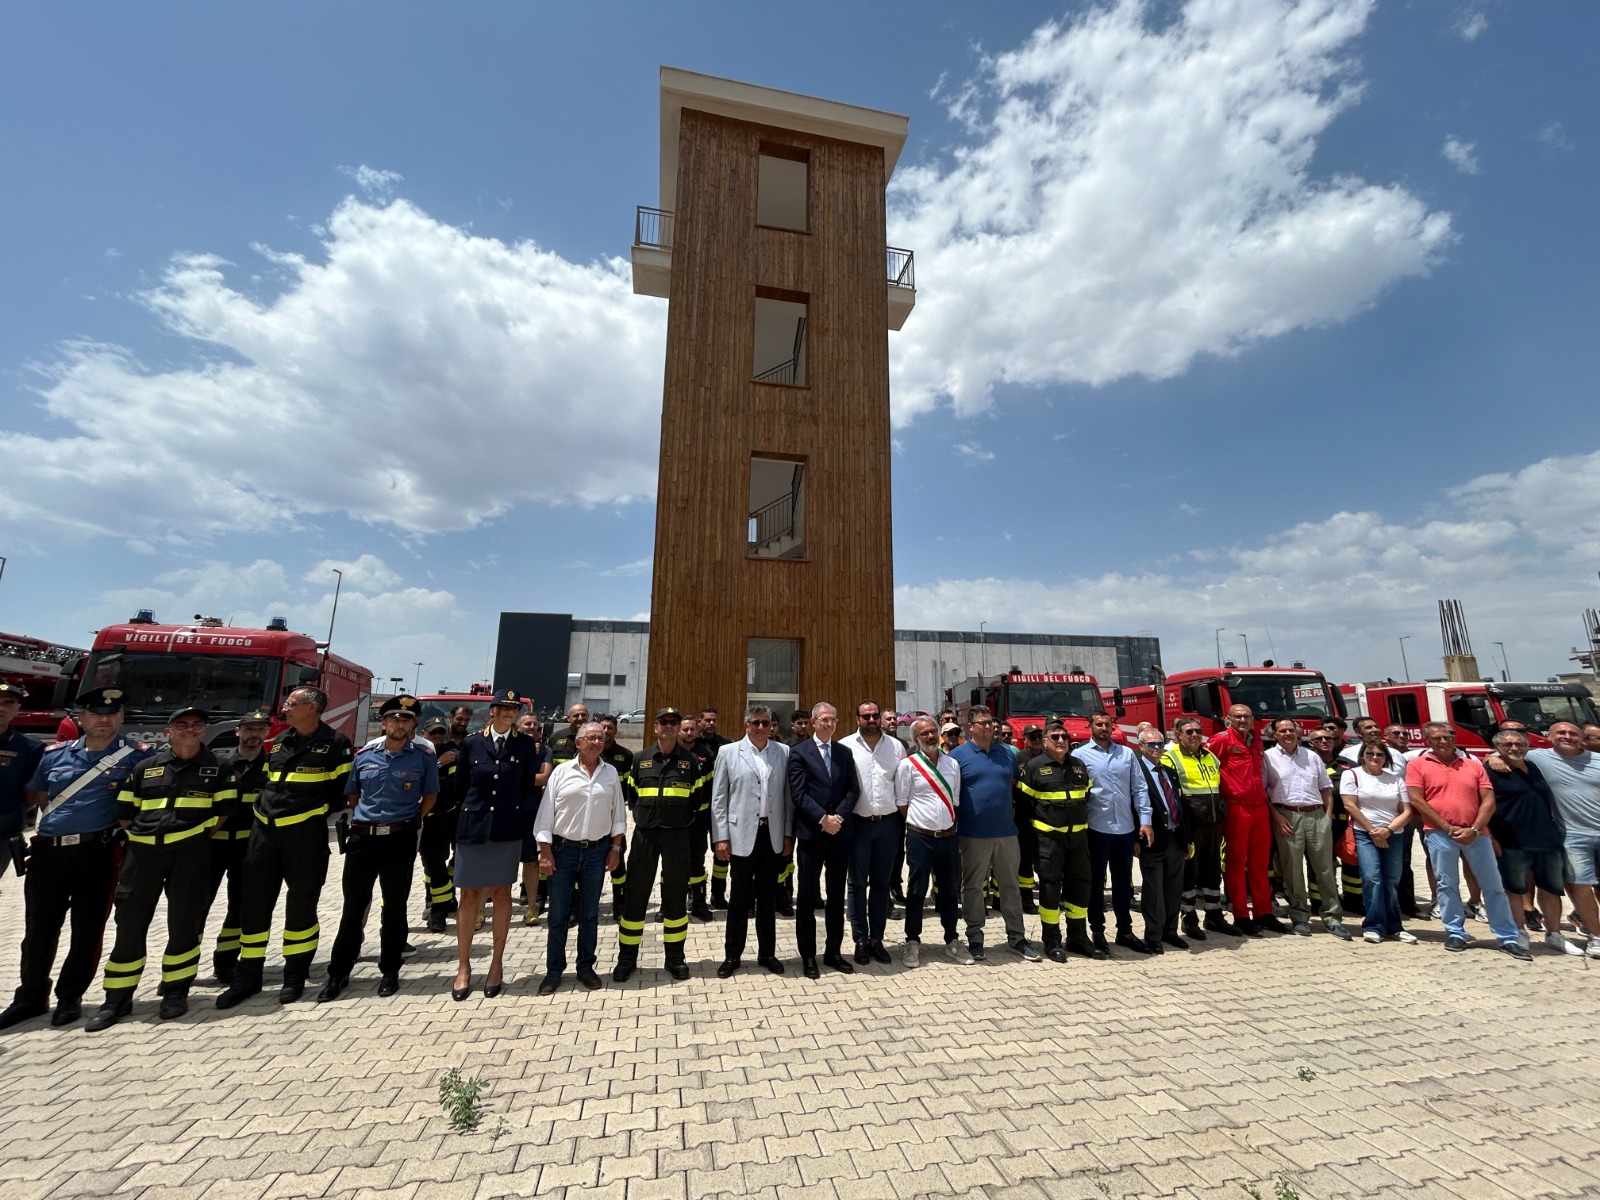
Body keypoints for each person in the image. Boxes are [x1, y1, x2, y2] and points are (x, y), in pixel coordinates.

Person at [0, 688, 150, 1030]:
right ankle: (30, 997)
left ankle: (70, 998)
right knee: (38, 931)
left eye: (111, 713)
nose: (104, 719)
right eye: (96, 712)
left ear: (122, 718)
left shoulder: (137, 756)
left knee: (87, 930)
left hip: (97, 852)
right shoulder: (53, 755)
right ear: (80, 718)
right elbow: (37, 796)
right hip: (48, 852)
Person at [86, 704, 234, 1030]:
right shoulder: (145, 767)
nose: (190, 729)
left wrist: (188, 835)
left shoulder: (219, 767)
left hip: (190, 852)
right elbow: (125, 811)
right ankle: (118, 998)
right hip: (142, 855)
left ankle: (176, 990)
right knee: (129, 924)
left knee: (184, 922)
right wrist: (144, 837)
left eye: (197, 724)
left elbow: (223, 812)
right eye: (182, 724)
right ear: (169, 731)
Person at [217, 687, 353, 1009]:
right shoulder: (279, 740)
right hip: (264, 834)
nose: (284, 709)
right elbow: (269, 783)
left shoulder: (336, 744)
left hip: (305, 836)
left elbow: (339, 793)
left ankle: (295, 976)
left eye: (291, 704)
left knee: (301, 905)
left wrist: (305, 813)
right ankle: (247, 977)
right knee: (253, 905)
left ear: (312, 708)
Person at [316, 696, 439, 1003]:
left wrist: (409, 822)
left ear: (412, 725)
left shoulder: (422, 757)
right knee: (353, 906)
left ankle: (390, 970)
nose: (400, 724)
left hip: (399, 838)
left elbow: (430, 797)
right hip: (363, 840)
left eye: (406, 720)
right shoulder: (365, 755)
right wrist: (370, 822)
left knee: (395, 907)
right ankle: (338, 973)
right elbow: (353, 795)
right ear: (383, 724)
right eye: (394, 719)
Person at [1406, 722, 1529, 959]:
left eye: (1447, 737)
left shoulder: (1472, 765)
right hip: (1439, 834)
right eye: (1436, 738)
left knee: (1493, 886)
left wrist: (1474, 828)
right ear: (1427, 742)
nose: (1443, 741)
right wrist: (1448, 827)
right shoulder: (1417, 765)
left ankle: (1506, 936)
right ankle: (1455, 932)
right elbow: (1417, 800)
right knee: (1447, 884)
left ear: (1453, 738)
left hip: (1478, 835)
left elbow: (1488, 800)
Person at [451, 690, 539, 999]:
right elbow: (460, 787)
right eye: (504, 708)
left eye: (514, 709)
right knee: (470, 895)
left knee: (502, 894)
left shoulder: (525, 745)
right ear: (492, 711)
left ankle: (496, 965)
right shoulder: (473, 743)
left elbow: (527, 785)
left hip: (506, 828)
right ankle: (463, 967)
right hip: (473, 828)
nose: (509, 713)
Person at [534, 722, 627, 994]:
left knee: (589, 914)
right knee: (558, 915)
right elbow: (545, 817)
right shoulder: (561, 773)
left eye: (600, 738)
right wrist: (546, 852)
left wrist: (615, 849)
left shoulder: (610, 773)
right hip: (563, 851)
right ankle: (554, 971)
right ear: (578, 742)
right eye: (590, 738)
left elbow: (618, 817)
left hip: (597, 852)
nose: (596, 742)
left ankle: (586, 967)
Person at [614, 709, 700, 983]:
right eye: (664, 722)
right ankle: (626, 959)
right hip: (645, 836)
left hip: (677, 836)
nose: (670, 727)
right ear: (655, 727)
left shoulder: (690, 761)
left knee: (675, 898)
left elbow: (696, 799)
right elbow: (632, 795)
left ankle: (675, 958)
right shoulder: (640, 760)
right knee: (636, 896)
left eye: (675, 723)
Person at [1482, 730, 1583, 956]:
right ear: (1497, 747)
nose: (1514, 748)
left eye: (1519, 744)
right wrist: (1490, 836)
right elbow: (1480, 804)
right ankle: (1518, 933)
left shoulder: (1534, 766)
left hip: (1547, 839)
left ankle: (1554, 935)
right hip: (1511, 841)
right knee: (1514, 889)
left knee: (1551, 889)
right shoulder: (1489, 769)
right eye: (1507, 744)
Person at [952, 706, 1039, 963]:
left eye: (990, 722)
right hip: (972, 834)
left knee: (1010, 887)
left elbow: (1010, 784)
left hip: (1006, 833)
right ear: (970, 727)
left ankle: (1017, 937)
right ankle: (976, 937)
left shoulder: (1007, 754)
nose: (989, 727)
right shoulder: (958, 756)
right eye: (982, 723)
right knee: (974, 887)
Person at [711, 706, 792, 978]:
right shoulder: (729, 753)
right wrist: (721, 837)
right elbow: (719, 800)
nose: (760, 728)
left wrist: (788, 834)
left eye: (765, 723)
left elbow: (787, 799)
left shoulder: (783, 753)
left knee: (768, 899)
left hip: (771, 834)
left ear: (772, 726)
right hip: (741, 835)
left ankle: (767, 953)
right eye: (755, 723)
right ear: (746, 724)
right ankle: (733, 954)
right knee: (739, 898)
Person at [789, 703, 860, 978]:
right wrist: (823, 819)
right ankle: (808, 956)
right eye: (824, 720)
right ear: (814, 722)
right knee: (807, 896)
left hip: (840, 834)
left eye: (833, 720)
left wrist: (838, 817)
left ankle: (833, 952)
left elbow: (853, 789)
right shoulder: (799, 753)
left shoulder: (844, 752)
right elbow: (799, 793)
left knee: (835, 896)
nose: (829, 724)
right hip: (811, 833)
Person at [1017, 719, 1097, 962]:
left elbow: (1087, 799)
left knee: (1080, 887)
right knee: (1050, 890)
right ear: (1044, 742)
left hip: (1078, 840)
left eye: (1064, 737)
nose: (1061, 741)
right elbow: (1023, 808)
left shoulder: (1079, 766)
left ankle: (1078, 937)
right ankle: (1051, 939)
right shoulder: (1033, 767)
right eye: (1055, 737)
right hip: (1049, 842)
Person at [1262, 719, 1350, 940]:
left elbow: (1326, 788)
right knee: (1292, 870)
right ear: (1275, 735)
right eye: (1283, 731)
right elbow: (1264, 790)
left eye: (1291, 730)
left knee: (1325, 869)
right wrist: (1277, 817)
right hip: (1287, 816)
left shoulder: (1311, 756)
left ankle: (1332, 917)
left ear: (1298, 733)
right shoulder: (1268, 758)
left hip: (1316, 815)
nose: (1288, 734)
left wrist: (1327, 817)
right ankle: (1300, 916)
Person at [1076, 712, 1153, 955]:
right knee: (1097, 883)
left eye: (1107, 724)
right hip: (1096, 828)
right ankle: (1097, 930)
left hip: (1125, 828)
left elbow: (1139, 788)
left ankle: (1125, 931)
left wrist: (1145, 821)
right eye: (1099, 724)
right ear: (1090, 727)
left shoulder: (1127, 754)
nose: (1103, 728)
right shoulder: (1079, 755)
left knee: (1123, 883)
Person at [1522, 721, 1600, 956]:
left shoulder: (1597, 760)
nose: (1567, 736)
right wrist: (1493, 759)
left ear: (1582, 738)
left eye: (1573, 733)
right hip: (1572, 834)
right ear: (1549, 736)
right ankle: (1596, 937)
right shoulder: (1538, 757)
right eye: (1561, 732)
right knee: (1579, 886)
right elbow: (1504, 752)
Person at [894, 717, 967, 967]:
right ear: (916, 739)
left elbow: (954, 800)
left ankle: (952, 940)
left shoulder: (953, 764)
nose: (930, 737)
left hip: (948, 837)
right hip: (919, 837)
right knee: (916, 890)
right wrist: (922, 823)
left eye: (933, 732)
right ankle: (912, 941)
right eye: (924, 734)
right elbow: (902, 802)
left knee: (948, 891)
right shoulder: (909, 765)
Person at [204, 707, 270, 983]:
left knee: (239, 907)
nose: (254, 734)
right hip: (212, 848)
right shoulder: (220, 764)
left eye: (259, 730)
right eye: (249, 729)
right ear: (238, 731)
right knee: (196, 908)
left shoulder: (273, 767)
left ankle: (226, 962)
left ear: (266, 733)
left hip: (249, 846)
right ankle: (180, 970)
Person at [1209, 705, 1287, 936]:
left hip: (1260, 808)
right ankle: (1241, 915)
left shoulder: (1256, 741)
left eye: (1246, 716)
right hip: (1236, 808)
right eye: (1238, 716)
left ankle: (1264, 912)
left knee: (1260, 865)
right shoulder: (1220, 741)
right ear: (1229, 719)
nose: (1242, 720)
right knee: (1235, 864)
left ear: (1253, 720)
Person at [839, 699, 904, 965]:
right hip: (858, 825)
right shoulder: (845, 746)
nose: (871, 720)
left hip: (888, 825)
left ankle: (877, 939)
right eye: (865, 716)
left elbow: (902, 786)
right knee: (856, 885)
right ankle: (861, 940)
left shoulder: (896, 747)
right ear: (857, 719)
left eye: (875, 715)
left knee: (881, 884)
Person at [1339, 742, 1415, 944]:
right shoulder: (1352, 775)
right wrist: (1373, 831)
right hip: (1365, 834)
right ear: (1362, 756)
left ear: (1386, 758)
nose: (1375, 757)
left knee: (1391, 880)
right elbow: (1350, 805)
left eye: (1380, 754)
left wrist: (1387, 831)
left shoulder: (1395, 779)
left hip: (1393, 834)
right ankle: (1373, 925)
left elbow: (1406, 811)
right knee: (1372, 878)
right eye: (1370, 753)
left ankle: (1394, 926)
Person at [1163, 719, 1231, 940]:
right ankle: (1189, 919)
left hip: (1213, 823)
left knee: (1212, 872)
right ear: (1177, 734)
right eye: (1189, 731)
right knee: (1189, 874)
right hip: (1191, 825)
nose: (1195, 735)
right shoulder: (1170, 757)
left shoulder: (1211, 756)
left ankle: (1214, 915)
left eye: (1198, 731)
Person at [1134, 729, 1190, 952]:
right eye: (1151, 744)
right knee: (1153, 891)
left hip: (1175, 837)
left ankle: (1170, 931)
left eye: (1159, 743)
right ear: (1141, 746)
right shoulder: (1137, 773)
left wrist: (1186, 838)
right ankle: (1153, 935)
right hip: (1151, 839)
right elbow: (1133, 807)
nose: (1156, 748)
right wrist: (1133, 839)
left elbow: (1179, 804)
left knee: (1173, 889)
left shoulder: (1168, 771)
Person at [419, 717, 463, 932]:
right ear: (424, 733)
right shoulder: (417, 751)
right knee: (430, 863)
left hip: (443, 817)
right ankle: (435, 903)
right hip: (417, 818)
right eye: (433, 732)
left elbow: (450, 787)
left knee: (437, 862)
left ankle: (440, 907)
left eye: (440, 732)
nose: (437, 736)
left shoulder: (452, 753)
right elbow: (418, 782)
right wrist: (438, 765)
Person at [515, 715, 554, 928]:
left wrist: (513, 775)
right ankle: (481, 910)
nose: (531, 728)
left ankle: (531, 907)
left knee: (531, 862)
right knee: (499, 862)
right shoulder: (509, 747)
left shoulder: (544, 750)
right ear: (518, 727)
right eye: (527, 724)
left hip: (531, 812)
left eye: (535, 725)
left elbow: (543, 778)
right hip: (507, 813)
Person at [677, 714, 716, 922]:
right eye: (686, 729)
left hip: (699, 818)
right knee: (673, 862)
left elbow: (711, 787)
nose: (689, 733)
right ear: (679, 731)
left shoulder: (706, 754)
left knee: (697, 861)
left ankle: (699, 903)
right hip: (676, 820)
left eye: (692, 729)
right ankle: (670, 904)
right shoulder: (672, 752)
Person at [0, 682, 44, 866]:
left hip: (2, 833)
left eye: (8, 702)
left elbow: (32, 795)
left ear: (17, 708)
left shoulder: (31, 748)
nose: (1, 707)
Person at [697, 709, 736, 910]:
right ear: (699, 722)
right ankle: (695, 895)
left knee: (723, 854)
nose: (711, 723)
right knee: (695, 855)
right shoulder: (692, 745)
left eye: (714, 720)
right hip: (698, 812)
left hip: (721, 809)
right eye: (707, 720)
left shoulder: (726, 744)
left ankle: (718, 895)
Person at [598, 715, 635, 915]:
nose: (606, 731)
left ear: (616, 731)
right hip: (595, 817)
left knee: (618, 862)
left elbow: (630, 789)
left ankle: (620, 905)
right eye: (603, 727)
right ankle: (580, 908)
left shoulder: (626, 756)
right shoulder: (591, 753)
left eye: (610, 728)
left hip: (615, 819)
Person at [1013, 724, 1045, 914]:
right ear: (1025, 739)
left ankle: (1048, 897)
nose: (1037, 739)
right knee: (1025, 862)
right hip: (1024, 818)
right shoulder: (1018, 759)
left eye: (1040, 736)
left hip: (1045, 818)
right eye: (1032, 737)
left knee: (1044, 862)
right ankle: (1026, 900)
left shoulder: (1048, 758)